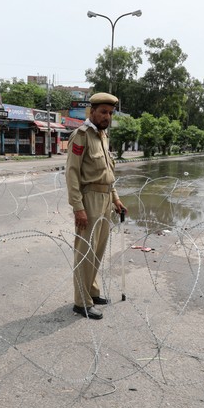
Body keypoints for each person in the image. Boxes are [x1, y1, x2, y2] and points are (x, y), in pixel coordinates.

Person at [65, 92, 127, 320]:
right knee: (85, 252)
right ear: (91, 111)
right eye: (103, 112)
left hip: (105, 200)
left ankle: (91, 292)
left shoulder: (103, 136)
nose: (107, 116)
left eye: (110, 113)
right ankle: (81, 302)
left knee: (97, 250)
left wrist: (116, 199)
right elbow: (72, 173)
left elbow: (108, 174)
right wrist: (77, 207)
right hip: (89, 200)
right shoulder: (80, 136)